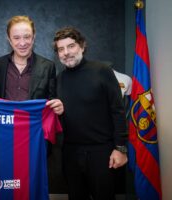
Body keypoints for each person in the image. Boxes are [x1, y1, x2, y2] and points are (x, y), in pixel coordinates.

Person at [53, 27, 128, 200]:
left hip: (102, 153)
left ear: (82, 46)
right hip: (70, 153)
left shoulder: (102, 71)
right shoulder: (60, 79)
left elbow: (118, 110)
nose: (66, 53)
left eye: (70, 46)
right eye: (61, 49)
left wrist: (121, 149)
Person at [0, 15, 63, 115]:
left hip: (34, 127)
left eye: (27, 37)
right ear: (9, 40)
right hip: (6, 126)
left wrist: (57, 105)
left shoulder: (48, 66)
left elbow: (52, 99)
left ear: (33, 37)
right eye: (16, 38)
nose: (22, 43)